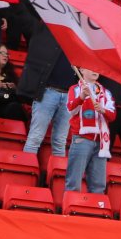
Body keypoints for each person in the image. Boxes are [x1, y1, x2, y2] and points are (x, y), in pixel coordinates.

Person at [19, 18, 76, 157]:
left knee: (60, 141)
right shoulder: (47, 33)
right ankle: (28, 168)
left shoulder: (77, 43)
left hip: (68, 96)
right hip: (48, 92)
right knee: (36, 137)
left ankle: (57, 171)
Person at [64, 68, 115, 194]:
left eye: (97, 68)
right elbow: (71, 110)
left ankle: (95, 207)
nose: (95, 71)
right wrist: (81, 97)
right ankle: (70, 206)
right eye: (91, 68)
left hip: (101, 142)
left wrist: (103, 110)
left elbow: (113, 115)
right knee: (74, 182)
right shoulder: (75, 89)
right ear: (81, 70)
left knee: (98, 187)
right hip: (82, 139)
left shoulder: (106, 92)